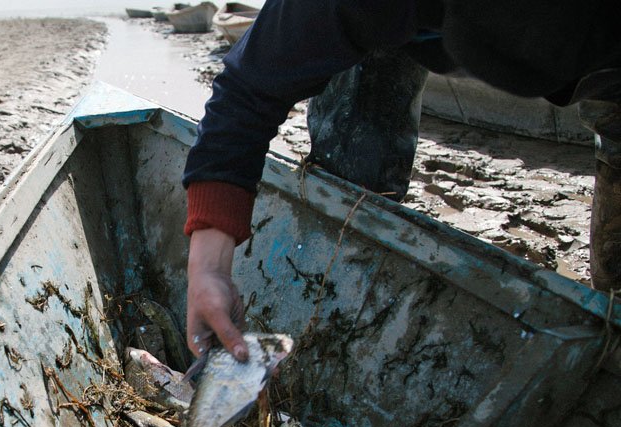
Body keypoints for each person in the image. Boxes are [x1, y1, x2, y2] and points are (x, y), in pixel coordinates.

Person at [182, 0, 621, 360]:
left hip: (604, 62)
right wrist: (209, 267)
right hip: (401, 26)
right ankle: (333, 315)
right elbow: (248, 89)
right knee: (358, 159)